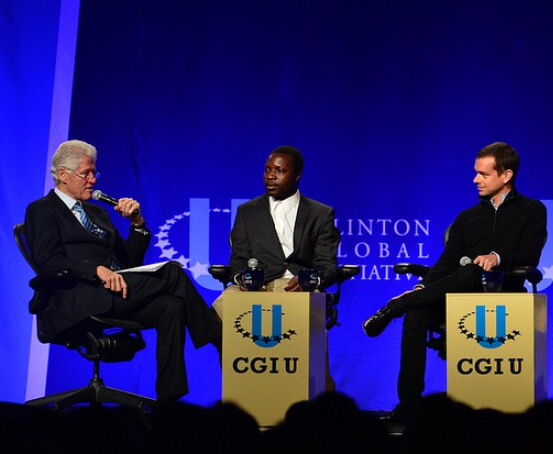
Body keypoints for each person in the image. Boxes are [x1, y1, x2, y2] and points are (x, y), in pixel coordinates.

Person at [23, 140, 221, 404]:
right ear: (63, 175)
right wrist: (96, 269)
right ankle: (219, 340)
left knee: (171, 306)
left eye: (94, 173)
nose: (93, 180)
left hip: (117, 290)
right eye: (86, 173)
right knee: (172, 273)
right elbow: (49, 261)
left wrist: (137, 224)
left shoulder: (96, 212)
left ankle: (169, 401)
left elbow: (129, 259)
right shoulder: (41, 210)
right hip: (79, 296)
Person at [362, 142, 547, 421]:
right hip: (459, 294)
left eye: (483, 174)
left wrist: (497, 257)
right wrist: (423, 287)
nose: (475, 179)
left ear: (506, 175)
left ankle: (395, 306)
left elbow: (530, 254)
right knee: (417, 314)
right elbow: (447, 262)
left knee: (473, 270)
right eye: (476, 173)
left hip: (504, 291)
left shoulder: (533, 210)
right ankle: (408, 405)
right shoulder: (467, 217)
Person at [211, 145, 340, 317]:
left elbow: (327, 266)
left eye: (280, 171)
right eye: (267, 170)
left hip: (296, 287)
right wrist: (241, 277)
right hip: (257, 286)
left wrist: (309, 280)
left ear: (297, 176)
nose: (270, 176)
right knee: (217, 311)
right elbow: (239, 259)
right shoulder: (247, 211)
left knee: (309, 313)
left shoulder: (320, 214)